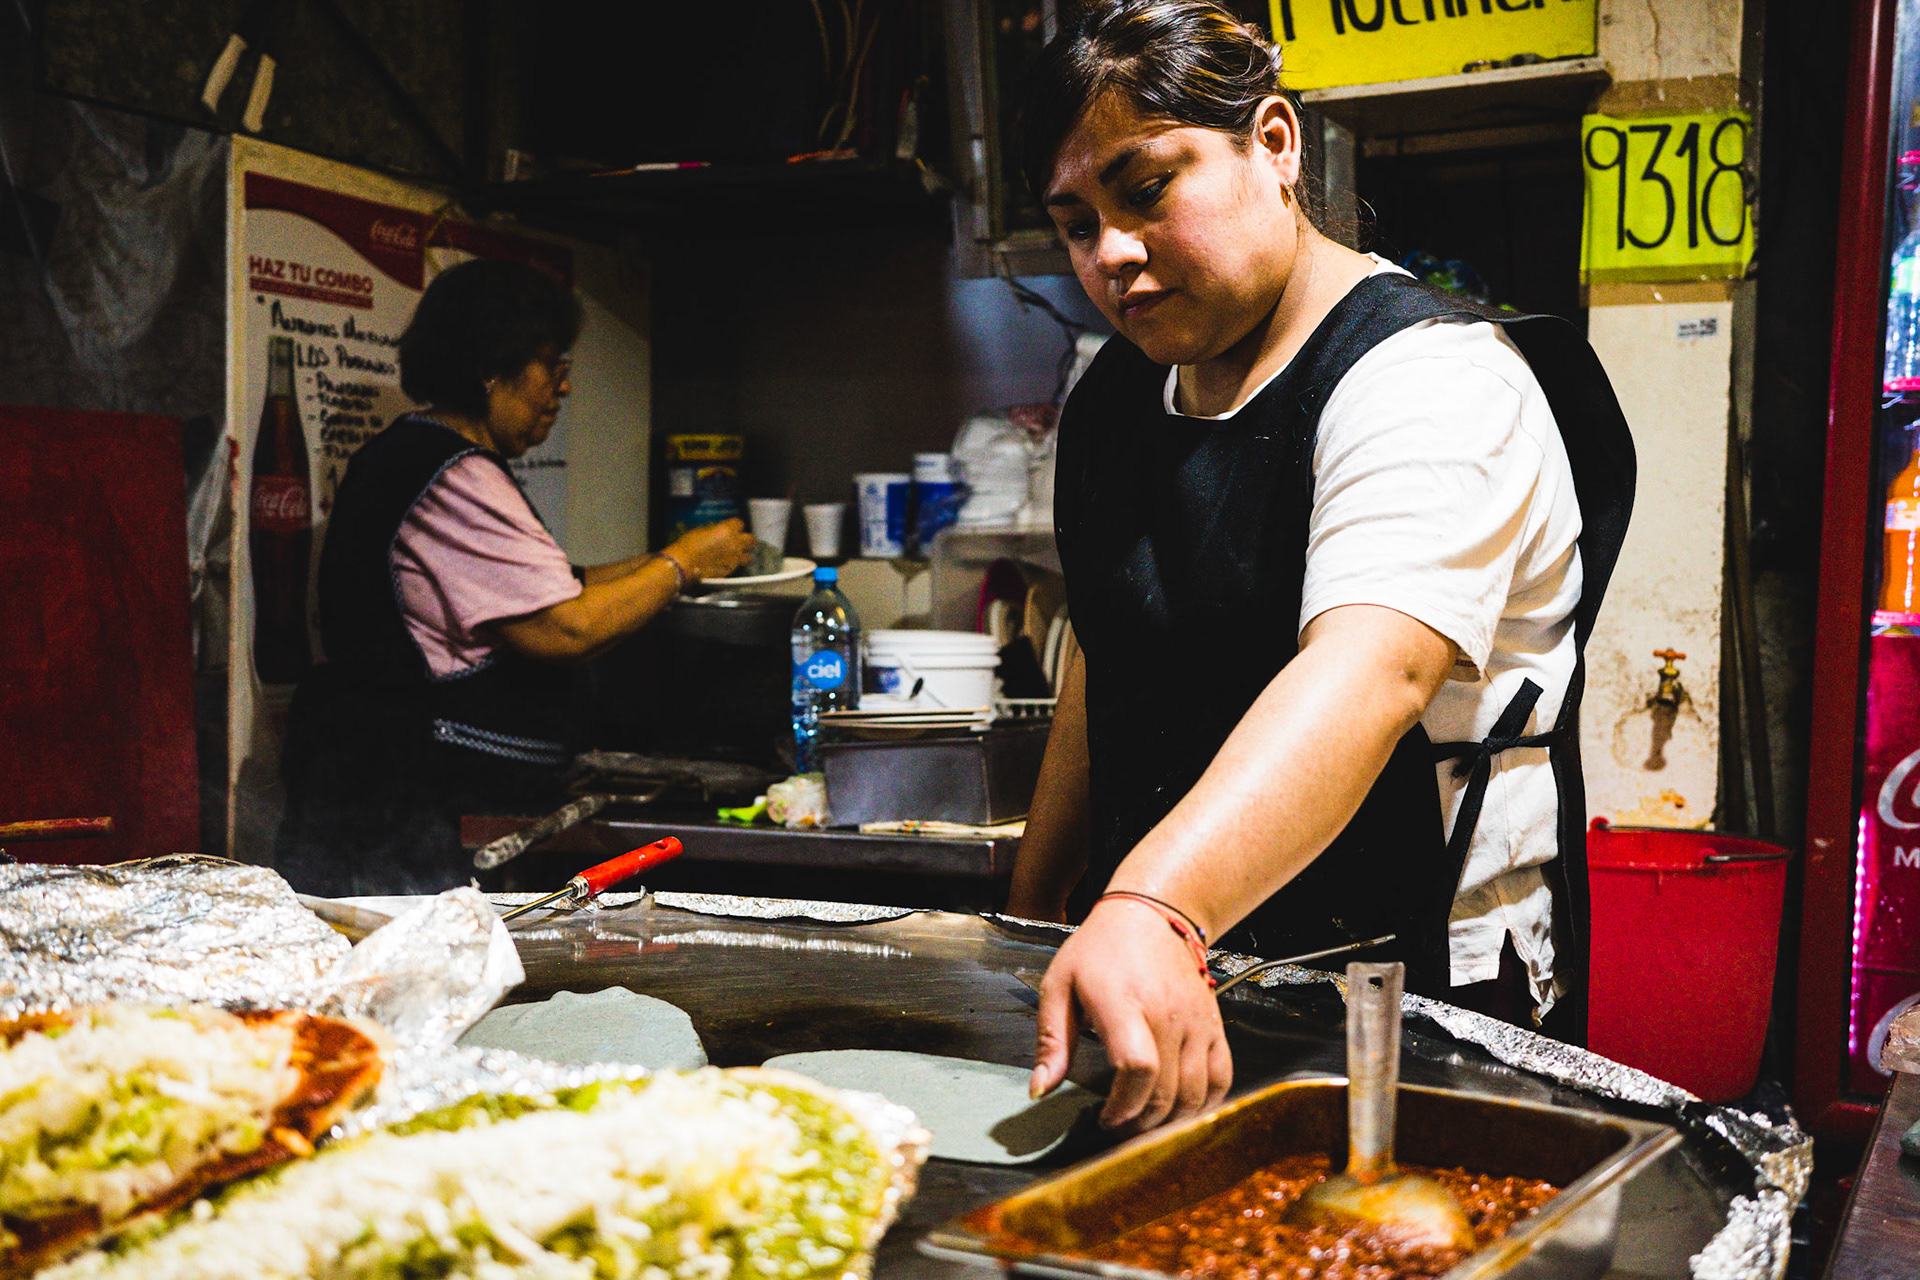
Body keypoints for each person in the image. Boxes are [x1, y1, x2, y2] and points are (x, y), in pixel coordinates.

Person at [1007, 0, 1635, 1135]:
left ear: (1275, 143)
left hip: (1414, 1002)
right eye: (1076, 224)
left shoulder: (1430, 379)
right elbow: (1108, 653)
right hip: (1185, 975)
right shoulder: (1116, 398)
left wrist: (1153, 902)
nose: (1113, 253)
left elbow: (1371, 673)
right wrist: (1032, 915)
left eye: (1147, 190)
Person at [275, 259, 753, 896]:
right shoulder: (455, 476)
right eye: (551, 367)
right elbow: (564, 626)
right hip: (408, 816)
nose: (563, 388)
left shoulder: (415, 455)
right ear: (489, 369)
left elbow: (559, 586)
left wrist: (678, 560)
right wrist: (683, 564)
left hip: (388, 804)